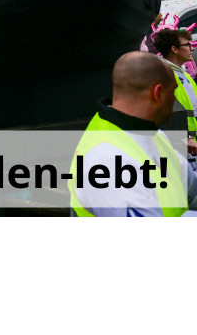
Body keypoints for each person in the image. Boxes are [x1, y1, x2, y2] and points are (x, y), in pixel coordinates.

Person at [69, 51, 197, 216]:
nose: (174, 100)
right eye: (173, 92)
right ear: (157, 94)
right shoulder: (108, 161)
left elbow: (190, 186)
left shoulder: (154, 135)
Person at [153, 27, 197, 169]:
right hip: (181, 146)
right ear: (174, 49)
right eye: (187, 45)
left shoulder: (185, 75)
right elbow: (165, 109)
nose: (192, 48)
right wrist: (184, 137)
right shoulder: (163, 74)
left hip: (190, 145)